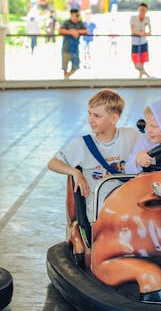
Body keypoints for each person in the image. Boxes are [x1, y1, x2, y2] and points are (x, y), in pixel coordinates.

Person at [48, 89, 140, 221]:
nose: (90, 120)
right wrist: (75, 172)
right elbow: (53, 163)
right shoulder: (83, 144)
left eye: (96, 116)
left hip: (129, 205)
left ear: (114, 118)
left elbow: (153, 147)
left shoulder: (131, 136)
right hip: (100, 212)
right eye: (89, 114)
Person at [59, 8, 88, 78]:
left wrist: (76, 31)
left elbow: (86, 31)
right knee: (65, 65)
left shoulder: (80, 23)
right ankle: (65, 78)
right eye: (76, 15)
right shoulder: (66, 22)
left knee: (76, 65)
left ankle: (67, 76)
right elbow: (60, 31)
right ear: (72, 15)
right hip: (66, 47)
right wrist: (71, 32)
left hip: (75, 48)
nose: (78, 16)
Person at [130, 3, 152, 78]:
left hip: (143, 42)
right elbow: (132, 31)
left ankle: (141, 76)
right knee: (136, 63)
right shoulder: (133, 18)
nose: (142, 11)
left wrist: (145, 33)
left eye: (144, 10)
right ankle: (144, 73)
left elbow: (150, 32)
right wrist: (141, 33)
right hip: (135, 42)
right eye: (141, 10)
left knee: (142, 61)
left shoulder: (147, 18)